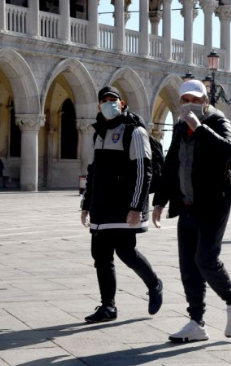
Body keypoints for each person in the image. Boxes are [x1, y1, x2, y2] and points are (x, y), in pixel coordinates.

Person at [152, 79, 231, 343]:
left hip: (214, 202)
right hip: (186, 204)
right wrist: (160, 201)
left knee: (206, 258)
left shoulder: (218, 121)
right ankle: (197, 322)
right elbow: (172, 163)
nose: (190, 104)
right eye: (185, 100)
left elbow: (229, 150)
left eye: (196, 99)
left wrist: (200, 127)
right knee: (188, 266)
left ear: (206, 100)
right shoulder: (180, 127)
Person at [80, 86, 163, 323]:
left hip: (124, 206)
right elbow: (93, 171)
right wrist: (86, 203)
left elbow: (143, 171)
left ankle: (155, 284)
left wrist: (137, 206)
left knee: (126, 253)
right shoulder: (99, 133)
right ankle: (108, 307)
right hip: (100, 206)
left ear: (122, 103)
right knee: (101, 256)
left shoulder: (134, 131)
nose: (109, 103)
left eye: (113, 100)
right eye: (104, 100)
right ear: (99, 106)